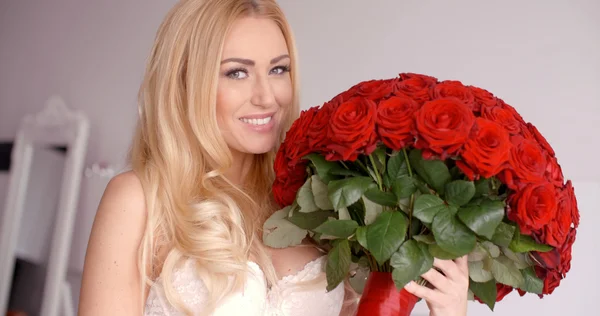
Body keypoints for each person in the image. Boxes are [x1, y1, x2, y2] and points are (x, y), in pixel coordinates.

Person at [77, 0, 469, 315]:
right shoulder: (139, 200)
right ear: (184, 83)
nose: (268, 96)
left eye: (278, 69)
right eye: (236, 73)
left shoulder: (323, 201)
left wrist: (447, 311)